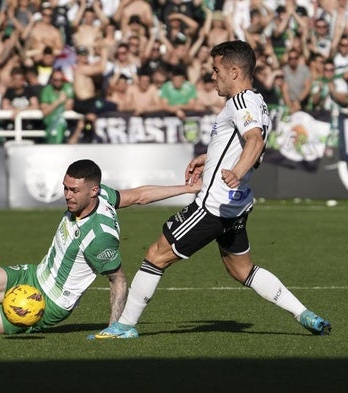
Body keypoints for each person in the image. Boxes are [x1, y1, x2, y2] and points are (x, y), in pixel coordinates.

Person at [93, 40, 332, 340]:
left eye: (216, 70)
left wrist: (235, 172)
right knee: (242, 270)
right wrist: (209, 158)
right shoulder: (256, 101)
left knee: (156, 255)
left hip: (213, 205)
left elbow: (254, 140)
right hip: (237, 205)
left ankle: (124, 326)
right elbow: (243, 143)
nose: (212, 76)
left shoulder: (241, 101)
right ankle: (304, 313)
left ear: (234, 71)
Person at [0, 159, 202, 335]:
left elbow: (118, 279)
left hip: (47, 304)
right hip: (34, 276)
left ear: (91, 192)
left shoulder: (99, 235)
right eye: (65, 187)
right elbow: (139, 196)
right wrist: (187, 188)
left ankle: (26, 326)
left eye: (74, 189)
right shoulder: (101, 194)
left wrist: (115, 327)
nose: (67, 195)